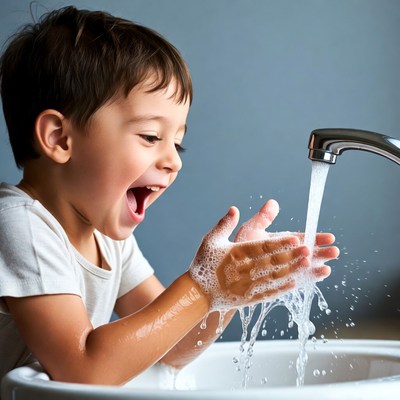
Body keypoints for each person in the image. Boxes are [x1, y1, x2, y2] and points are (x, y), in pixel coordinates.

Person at [0, 6, 339, 385]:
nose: (174, 161)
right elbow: (84, 367)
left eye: (178, 144)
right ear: (59, 138)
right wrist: (202, 287)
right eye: (150, 137)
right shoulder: (21, 224)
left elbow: (172, 349)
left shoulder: (107, 240)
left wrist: (229, 290)